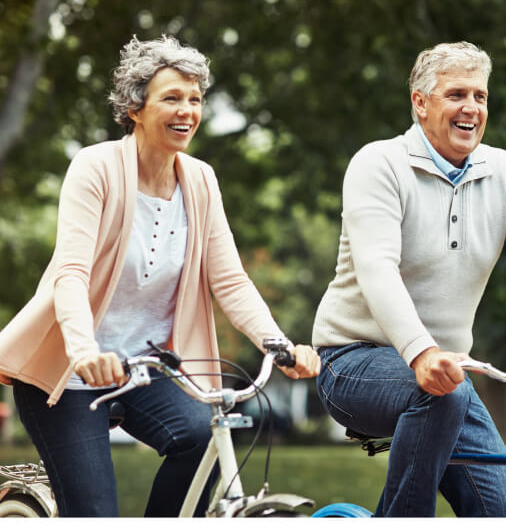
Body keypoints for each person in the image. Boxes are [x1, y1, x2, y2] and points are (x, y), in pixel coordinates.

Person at [0, 35, 320, 517]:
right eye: (171, 98)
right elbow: (70, 272)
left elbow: (229, 280)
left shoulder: (201, 180)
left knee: (201, 438)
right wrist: (85, 350)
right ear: (135, 107)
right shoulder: (96, 168)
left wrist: (277, 344)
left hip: (150, 370)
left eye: (195, 100)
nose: (187, 110)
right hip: (71, 374)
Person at [312, 41, 506, 517]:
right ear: (420, 103)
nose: (471, 108)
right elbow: (376, 268)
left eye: (480, 96)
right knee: (445, 390)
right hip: (352, 361)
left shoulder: (505, 173)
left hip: (449, 376)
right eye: (456, 94)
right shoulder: (378, 164)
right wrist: (421, 352)